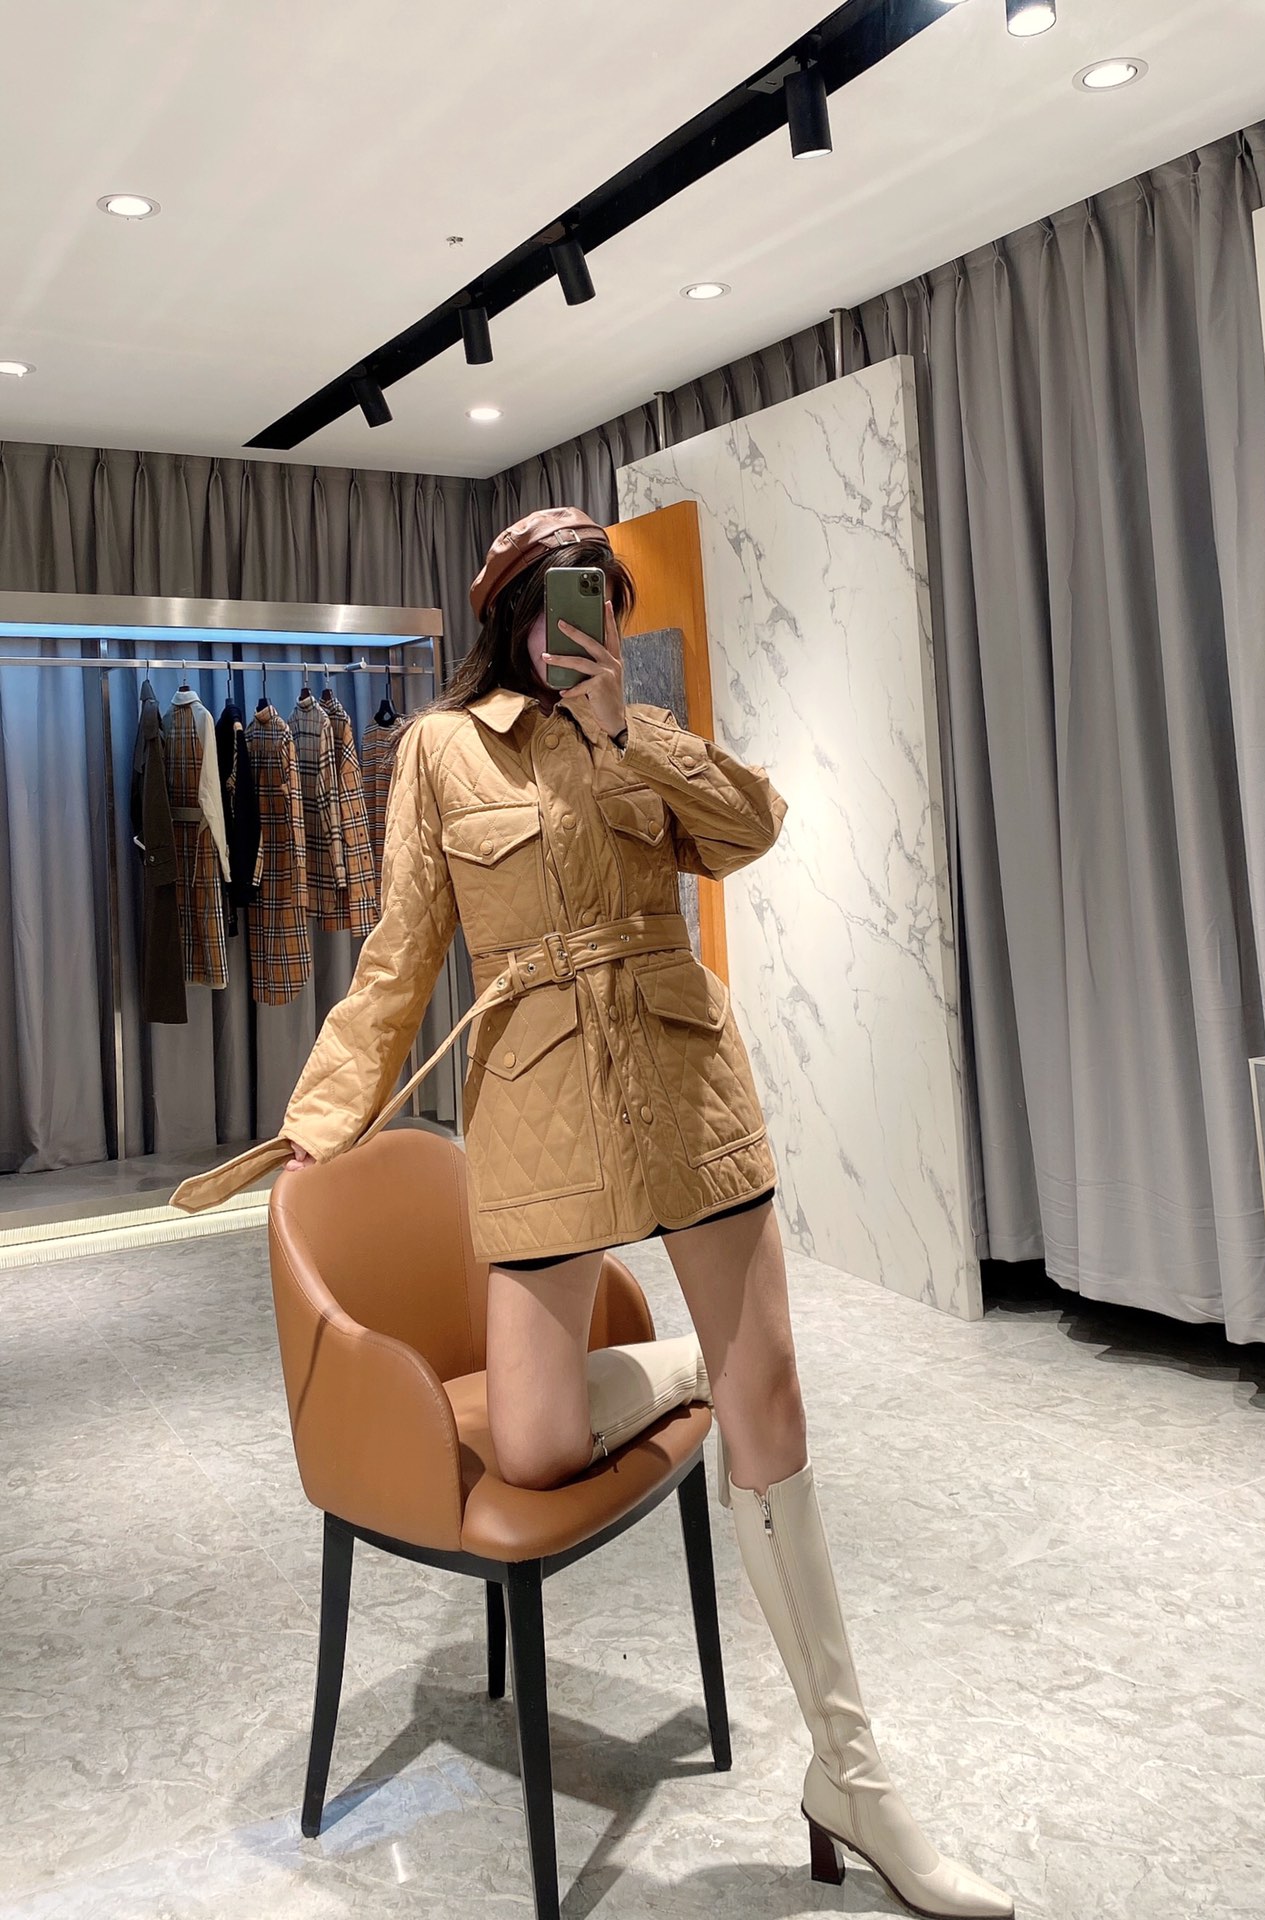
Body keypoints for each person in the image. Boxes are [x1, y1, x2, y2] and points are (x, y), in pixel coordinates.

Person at [218, 506, 1014, 1919]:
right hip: (537, 1098)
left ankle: (853, 1771)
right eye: (546, 599)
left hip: (684, 1074)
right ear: (505, 613)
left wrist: (625, 727)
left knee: (774, 1409)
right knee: (534, 1443)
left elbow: (753, 829)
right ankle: (694, 1362)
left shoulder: (636, 732)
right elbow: (399, 956)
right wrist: (320, 1125)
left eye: (594, 598)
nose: (570, 622)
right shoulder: (439, 751)